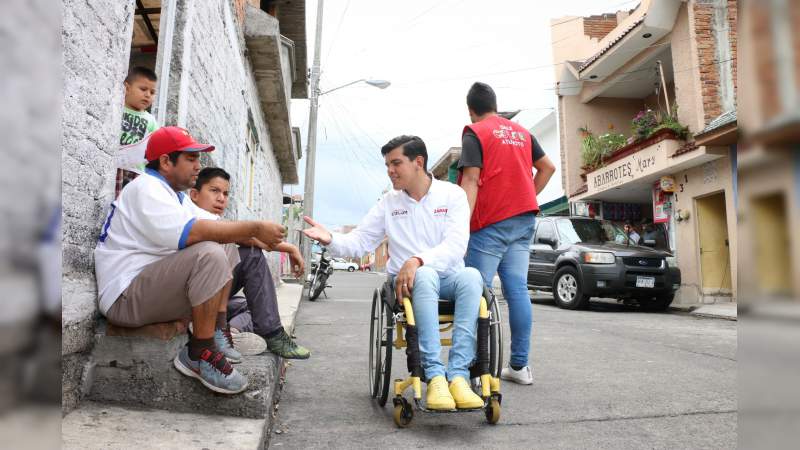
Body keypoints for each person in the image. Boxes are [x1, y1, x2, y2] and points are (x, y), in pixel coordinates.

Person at [94, 126, 287, 395]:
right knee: (208, 252)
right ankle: (199, 352)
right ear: (165, 161)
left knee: (225, 243)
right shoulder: (146, 188)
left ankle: (217, 332)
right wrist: (254, 228)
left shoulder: (176, 197)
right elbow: (196, 232)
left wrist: (284, 246)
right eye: (191, 159)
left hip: (149, 290)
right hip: (124, 298)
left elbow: (223, 228)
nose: (198, 166)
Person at [302, 135, 485, 411]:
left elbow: (457, 245)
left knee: (472, 276)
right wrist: (330, 238)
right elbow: (361, 241)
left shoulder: (453, 195)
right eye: (387, 164)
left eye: (396, 163)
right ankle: (434, 376)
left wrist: (418, 259)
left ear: (418, 162)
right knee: (424, 276)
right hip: (409, 285)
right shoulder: (389, 203)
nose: (390, 170)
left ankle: (458, 376)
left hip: (448, 277)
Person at [458, 82, 556, 386]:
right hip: (523, 220)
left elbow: (471, 180)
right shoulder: (522, 133)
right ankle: (519, 366)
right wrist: (527, 196)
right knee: (517, 291)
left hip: (489, 224)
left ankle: (476, 370)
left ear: (471, 110)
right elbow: (548, 168)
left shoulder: (476, 132)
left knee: (476, 292)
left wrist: (459, 225)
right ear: (495, 105)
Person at [189, 167, 311, 359]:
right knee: (251, 255)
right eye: (214, 191)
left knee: (252, 305)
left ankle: (231, 332)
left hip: (213, 296)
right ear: (194, 194)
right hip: (191, 297)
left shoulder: (218, 222)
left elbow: (251, 239)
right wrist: (290, 248)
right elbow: (248, 239)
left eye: (226, 193)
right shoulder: (191, 216)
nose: (221, 198)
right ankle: (271, 334)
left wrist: (291, 249)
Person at [116, 66, 160, 197]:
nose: (147, 95)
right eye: (143, 89)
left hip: (136, 171)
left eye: (152, 92)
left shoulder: (151, 120)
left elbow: (155, 146)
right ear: (127, 88)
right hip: (115, 165)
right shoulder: (118, 108)